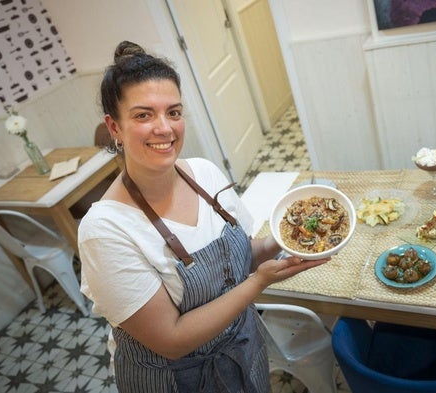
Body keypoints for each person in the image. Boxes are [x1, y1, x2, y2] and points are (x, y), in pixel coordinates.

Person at [78, 41, 330, 393]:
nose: (164, 128)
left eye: (174, 112)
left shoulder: (204, 173)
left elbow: (240, 256)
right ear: (115, 127)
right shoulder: (105, 231)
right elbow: (171, 339)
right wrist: (258, 283)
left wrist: (283, 239)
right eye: (143, 115)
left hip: (240, 348)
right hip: (175, 379)